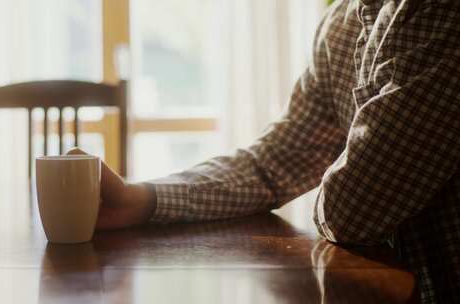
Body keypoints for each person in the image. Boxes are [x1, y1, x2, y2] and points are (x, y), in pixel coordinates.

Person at [69, 0, 460, 302]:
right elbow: (272, 163)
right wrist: (140, 199)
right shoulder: (342, 24)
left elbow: (355, 212)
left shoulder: (441, 13)